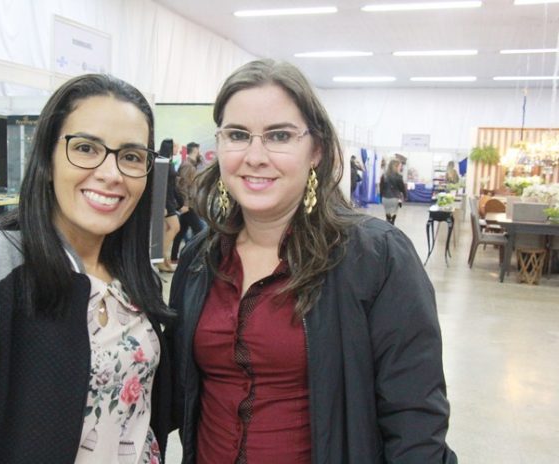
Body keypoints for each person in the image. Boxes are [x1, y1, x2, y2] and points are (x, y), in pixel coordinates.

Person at [169, 59, 456, 463]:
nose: (255, 155)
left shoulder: (376, 258)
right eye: (237, 135)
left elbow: (415, 422)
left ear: (316, 149)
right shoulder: (200, 259)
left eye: (279, 136)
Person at [0, 74, 174, 463]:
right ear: (47, 158)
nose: (111, 173)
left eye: (132, 156)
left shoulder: (137, 276)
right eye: (86, 148)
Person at [170, 142, 205, 262]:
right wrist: (185, 203)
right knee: (200, 230)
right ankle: (196, 258)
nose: (200, 153)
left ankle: (174, 257)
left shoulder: (191, 164)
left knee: (181, 232)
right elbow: (183, 185)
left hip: (190, 203)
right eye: (199, 150)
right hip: (188, 205)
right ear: (195, 150)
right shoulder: (187, 165)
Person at [157, 138, 182, 272]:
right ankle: (159, 260)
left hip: (169, 200)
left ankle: (164, 260)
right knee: (175, 227)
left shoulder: (168, 161)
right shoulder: (161, 162)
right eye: (176, 147)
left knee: (167, 229)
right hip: (165, 201)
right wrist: (163, 206)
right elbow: (160, 185)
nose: (178, 149)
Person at [380, 158, 408, 225]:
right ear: (396, 166)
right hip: (395, 198)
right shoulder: (399, 176)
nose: (400, 168)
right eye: (399, 166)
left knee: (387, 214)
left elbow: (381, 187)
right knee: (394, 214)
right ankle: (391, 224)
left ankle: (388, 223)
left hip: (385, 199)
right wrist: (405, 196)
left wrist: (381, 197)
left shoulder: (384, 175)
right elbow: (402, 188)